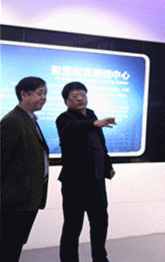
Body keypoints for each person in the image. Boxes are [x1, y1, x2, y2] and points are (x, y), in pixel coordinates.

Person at [56, 81, 116, 262]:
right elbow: (74, 128)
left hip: (96, 180)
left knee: (100, 222)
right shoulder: (64, 119)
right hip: (74, 183)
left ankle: (100, 258)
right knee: (73, 226)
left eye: (83, 94)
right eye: (75, 96)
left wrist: (108, 165)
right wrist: (94, 123)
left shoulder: (91, 115)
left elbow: (100, 145)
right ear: (67, 101)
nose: (80, 99)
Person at [1, 77, 50, 262]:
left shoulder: (29, 119)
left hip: (27, 199)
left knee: (14, 246)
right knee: (7, 248)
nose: (44, 98)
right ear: (24, 94)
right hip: (13, 202)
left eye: (45, 93)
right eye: (39, 93)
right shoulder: (13, 121)